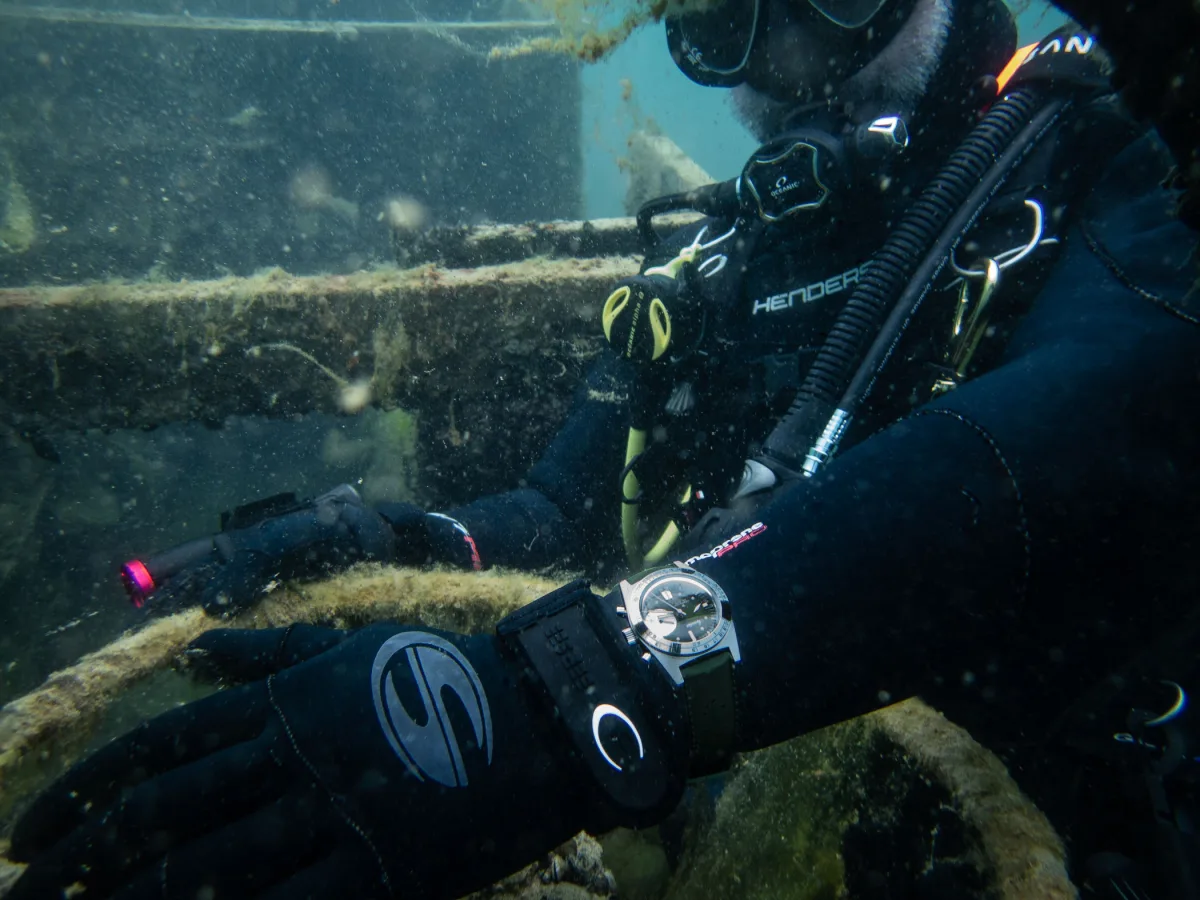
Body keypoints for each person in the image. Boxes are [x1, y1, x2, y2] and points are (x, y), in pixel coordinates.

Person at [9, 0, 1200, 896]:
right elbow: (554, 516)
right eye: (726, 19)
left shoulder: (1112, 178)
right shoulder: (719, 275)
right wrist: (373, 539)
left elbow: (1079, 431)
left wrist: (582, 690)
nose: (787, 63)